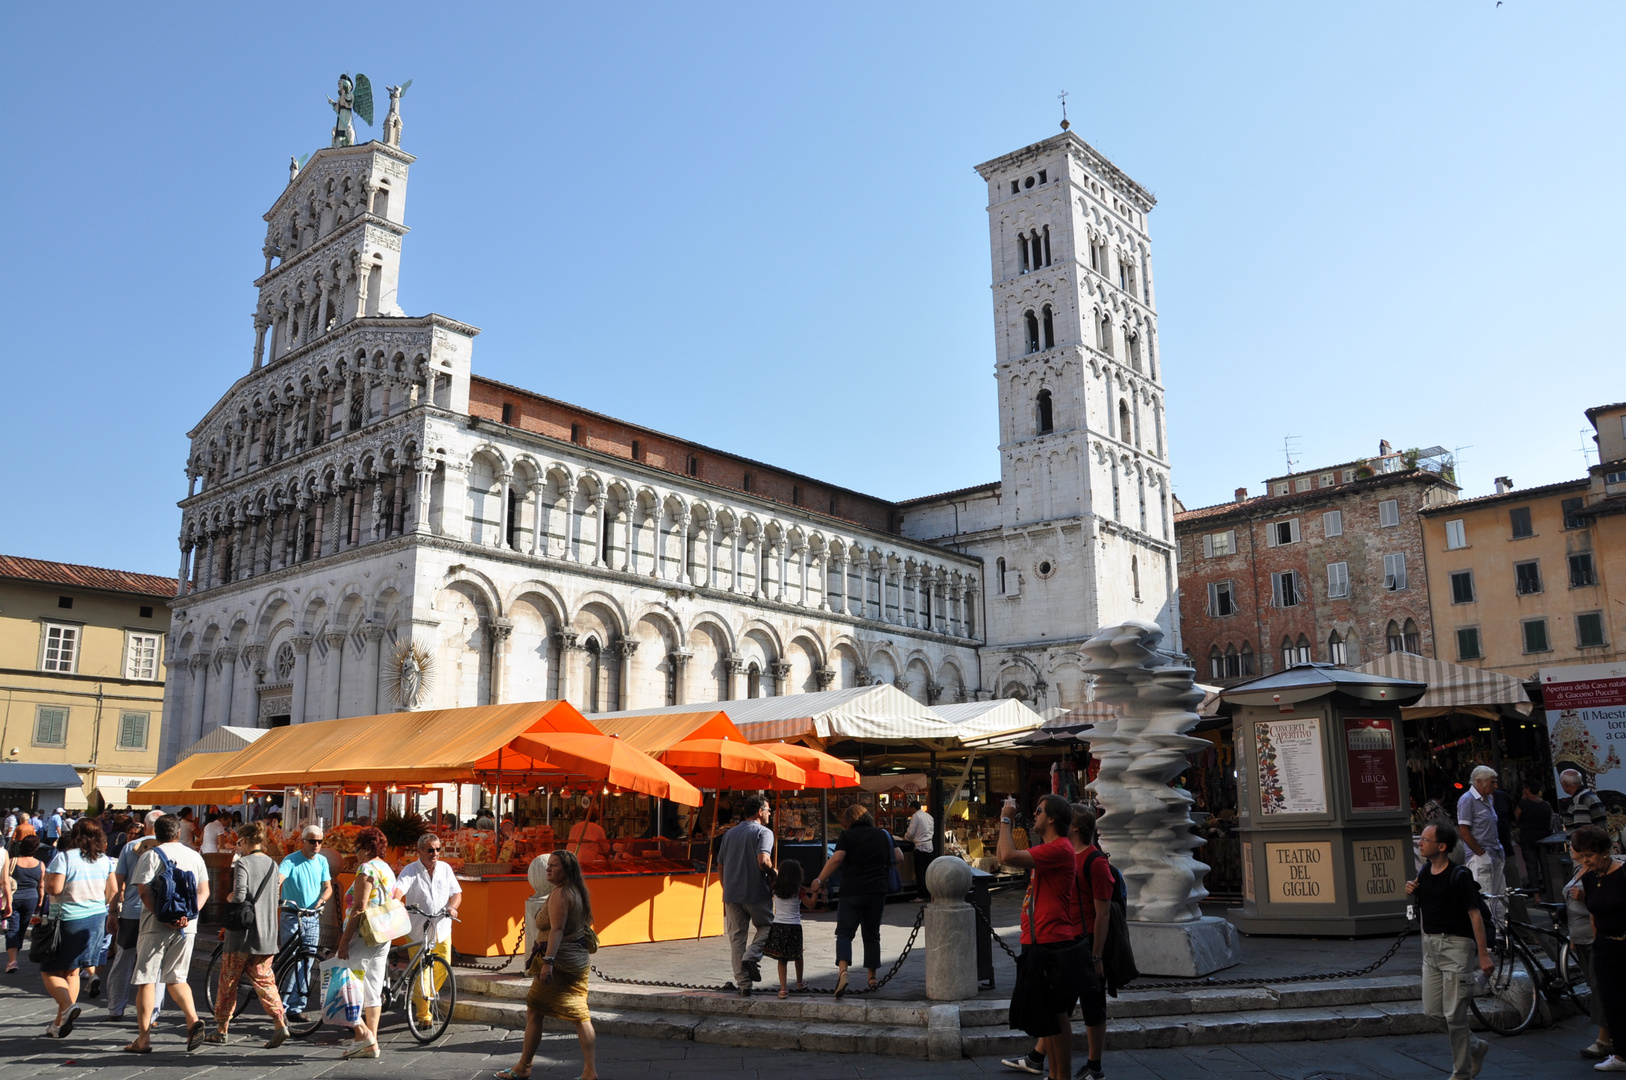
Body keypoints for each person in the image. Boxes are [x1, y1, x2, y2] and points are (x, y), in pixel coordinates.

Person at [1002, 803, 1113, 1080]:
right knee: (1050, 1013)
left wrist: (1005, 817)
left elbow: (1104, 913)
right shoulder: (1055, 850)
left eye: (1038, 810)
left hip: (1065, 942)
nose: (1034, 813)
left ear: (1056, 820)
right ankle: (1043, 1063)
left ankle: (1077, 1070)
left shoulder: (1069, 852)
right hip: (1047, 940)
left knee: (1065, 1011)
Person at [497, 850, 598, 1080]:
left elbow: (557, 930)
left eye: (554, 866)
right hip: (575, 959)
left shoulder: (561, 894)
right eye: (548, 865)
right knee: (579, 1014)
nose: (548, 869)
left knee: (536, 1010)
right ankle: (589, 1071)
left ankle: (524, 1067)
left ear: (566, 870)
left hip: (561, 961)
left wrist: (548, 963)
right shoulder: (576, 891)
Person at [1405, 822, 1493, 1080]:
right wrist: (1412, 887)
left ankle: (1461, 1072)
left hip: (1456, 947)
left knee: (1455, 1015)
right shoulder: (1424, 871)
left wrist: (1483, 953)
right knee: (1432, 1011)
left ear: (1441, 847)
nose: (1420, 843)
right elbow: (1423, 894)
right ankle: (1475, 1046)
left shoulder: (1459, 875)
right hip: (1431, 948)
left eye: (1425, 839)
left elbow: (1475, 915)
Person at [127, 813, 210, 1053]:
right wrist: (188, 916)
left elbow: (144, 892)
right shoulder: (194, 856)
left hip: (155, 926)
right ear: (178, 833)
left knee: (146, 980)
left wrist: (163, 916)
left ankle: (143, 1039)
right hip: (187, 926)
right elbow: (203, 891)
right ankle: (193, 1020)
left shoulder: (151, 855)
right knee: (177, 978)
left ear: (156, 832)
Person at [209, 822, 290, 1047]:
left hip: (242, 935)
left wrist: (229, 897)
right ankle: (280, 1023)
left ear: (244, 840)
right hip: (266, 934)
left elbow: (240, 895)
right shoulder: (274, 864)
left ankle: (221, 1029)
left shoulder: (243, 863)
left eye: (239, 842)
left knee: (229, 981)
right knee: (266, 982)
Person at [811, 802, 903, 1000]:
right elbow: (899, 856)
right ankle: (872, 978)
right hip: (877, 891)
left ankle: (843, 973)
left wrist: (820, 880)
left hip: (851, 891)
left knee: (844, 933)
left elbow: (836, 858)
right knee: (872, 934)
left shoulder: (847, 836)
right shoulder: (882, 834)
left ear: (848, 821)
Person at [38, 820, 115, 1037]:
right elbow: (113, 891)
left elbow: (54, 888)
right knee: (72, 970)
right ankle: (59, 1023)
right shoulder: (104, 860)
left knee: (49, 971)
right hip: (96, 918)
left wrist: (46, 880)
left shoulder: (64, 858)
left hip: (68, 919)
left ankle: (67, 1007)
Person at [335, 826, 398, 1059]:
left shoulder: (366, 868)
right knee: (372, 986)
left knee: (345, 985)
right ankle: (371, 1042)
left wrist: (343, 941)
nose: (356, 853)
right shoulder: (387, 869)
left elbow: (359, 908)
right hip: (383, 934)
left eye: (358, 848)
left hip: (362, 934)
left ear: (367, 849)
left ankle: (363, 1034)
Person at [1574, 824, 1626, 1074]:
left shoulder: (1623, 874)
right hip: (1606, 947)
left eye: (1590, 856)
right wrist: (1598, 944)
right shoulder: (1589, 878)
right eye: (1582, 855)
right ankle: (1621, 1054)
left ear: (1605, 852)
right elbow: (1593, 913)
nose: (1586, 861)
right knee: (1612, 1001)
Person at [397, 832, 462, 1024]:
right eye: (430, 850)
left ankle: (424, 994)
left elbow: (457, 893)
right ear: (419, 851)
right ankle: (424, 1015)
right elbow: (399, 889)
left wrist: (453, 907)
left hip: (442, 927)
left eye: (437, 849)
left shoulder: (445, 868)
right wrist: (398, 901)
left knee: (443, 966)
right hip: (417, 928)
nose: (435, 853)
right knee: (421, 972)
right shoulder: (410, 870)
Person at [106, 811, 164, 1023]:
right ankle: (153, 1013)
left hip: (131, 911)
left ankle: (115, 1007)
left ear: (146, 826)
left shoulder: (130, 847)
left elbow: (117, 882)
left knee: (123, 959)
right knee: (156, 965)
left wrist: (113, 911)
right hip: (158, 912)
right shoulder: (169, 848)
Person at [716, 794, 775, 996]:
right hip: (756, 891)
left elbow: (720, 865)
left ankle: (743, 984)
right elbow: (763, 860)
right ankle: (752, 955)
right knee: (769, 926)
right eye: (768, 810)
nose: (770, 814)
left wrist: (726, 888)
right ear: (760, 812)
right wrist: (774, 873)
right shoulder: (764, 832)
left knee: (736, 939)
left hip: (731, 894)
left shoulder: (729, 834)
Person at [277, 824, 333, 1022]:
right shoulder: (290, 860)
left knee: (308, 961)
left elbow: (328, 887)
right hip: (292, 915)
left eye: (319, 841)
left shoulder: (322, 861)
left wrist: (322, 900)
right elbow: (279, 878)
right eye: (312, 841)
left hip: (312, 917)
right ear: (303, 842)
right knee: (292, 960)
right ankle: (281, 1007)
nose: (316, 845)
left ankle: (297, 1006)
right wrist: (275, 888)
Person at [1457, 766, 1506, 921]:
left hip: (1495, 852)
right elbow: (1464, 831)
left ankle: (1500, 932)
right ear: (1479, 782)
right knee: (1485, 897)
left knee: (1500, 896)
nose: (1495, 786)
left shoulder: (1488, 798)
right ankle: (1489, 935)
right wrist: (1480, 853)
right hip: (1480, 856)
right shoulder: (1467, 800)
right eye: (1492, 782)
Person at [763, 859, 806, 998]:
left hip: (778, 925)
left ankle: (783, 989)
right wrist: (817, 893)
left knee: (782, 959)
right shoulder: (799, 891)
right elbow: (811, 905)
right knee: (798, 955)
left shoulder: (775, 889)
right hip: (794, 926)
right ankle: (799, 983)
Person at [5, 835, 43, 974]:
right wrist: (40, 902)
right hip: (31, 899)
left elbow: (4, 880)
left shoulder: (12, 861)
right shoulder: (40, 864)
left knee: (12, 927)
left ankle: (12, 960)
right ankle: (14, 956)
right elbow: (41, 886)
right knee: (22, 928)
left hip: (13, 898)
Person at [1515, 782, 1556, 892]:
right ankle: (1550, 889)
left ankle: (1536, 893)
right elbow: (1552, 817)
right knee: (1545, 865)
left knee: (1531, 866)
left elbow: (1516, 817)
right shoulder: (1545, 804)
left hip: (1528, 838)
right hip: (1544, 837)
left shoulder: (1523, 804)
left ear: (1528, 789)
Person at [902, 798, 935, 901]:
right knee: (927, 872)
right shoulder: (929, 816)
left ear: (913, 808)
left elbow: (911, 832)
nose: (909, 810)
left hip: (920, 847)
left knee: (919, 873)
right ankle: (929, 894)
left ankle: (921, 895)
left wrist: (906, 838)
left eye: (910, 808)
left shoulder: (916, 816)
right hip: (929, 846)